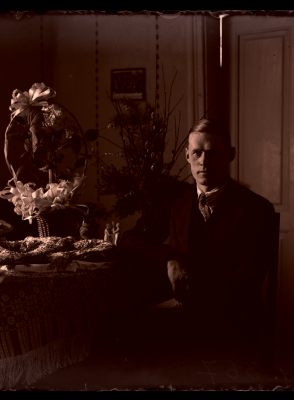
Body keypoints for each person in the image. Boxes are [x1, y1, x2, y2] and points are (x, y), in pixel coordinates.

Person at [116, 117, 277, 357]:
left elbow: (246, 282)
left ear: (231, 155)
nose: (204, 162)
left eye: (213, 154)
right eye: (197, 153)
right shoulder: (174, 201)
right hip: (180, 327)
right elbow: (129, 240)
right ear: (187, 155)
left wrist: (187, 302)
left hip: (233, 327)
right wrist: (169, 259)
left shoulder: (257, 209)